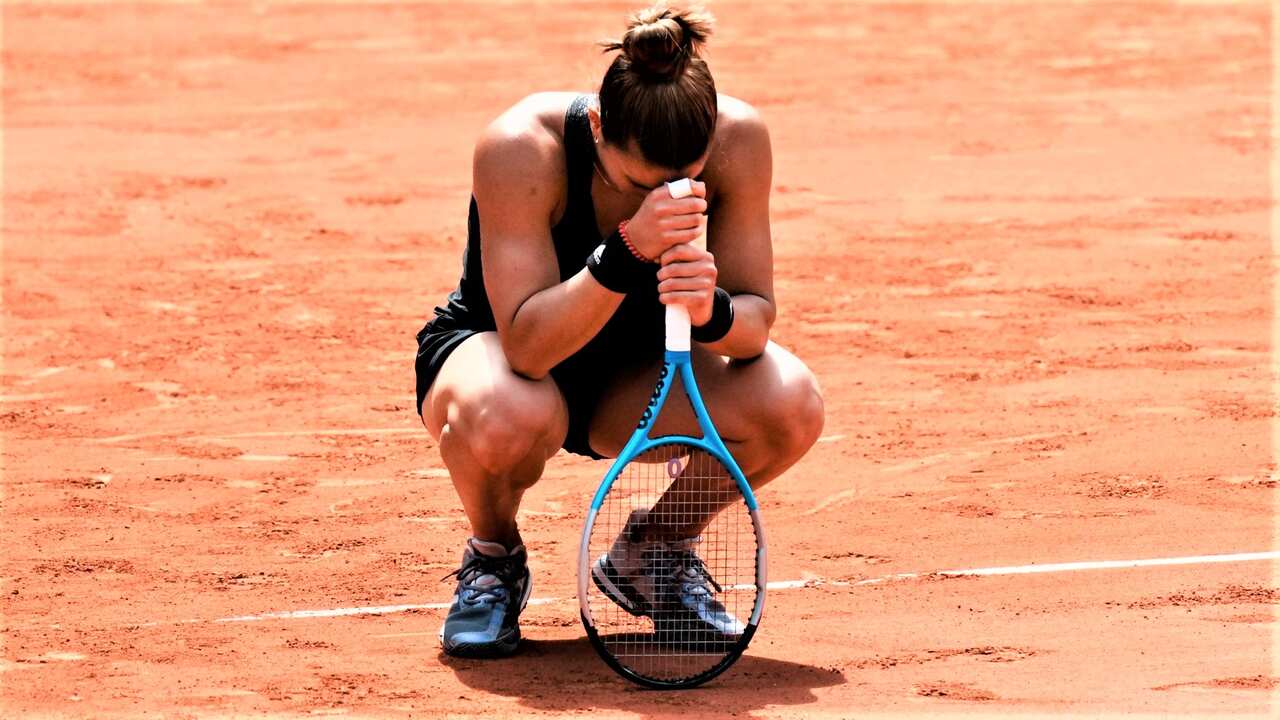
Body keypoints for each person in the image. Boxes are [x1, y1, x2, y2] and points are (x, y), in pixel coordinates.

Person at [414, 2, 824, 658]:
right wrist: (628, 249)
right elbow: (526, 346)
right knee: (505, 413)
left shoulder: (740, 140)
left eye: (686, 177)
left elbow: (754, 324)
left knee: (790, 403)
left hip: (633, 379)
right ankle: (495, 557)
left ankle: (653, 551)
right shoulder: (521, 147)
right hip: (507, 360)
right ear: (599, 127)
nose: (663, 195)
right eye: (639, 183)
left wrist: (711, 311)